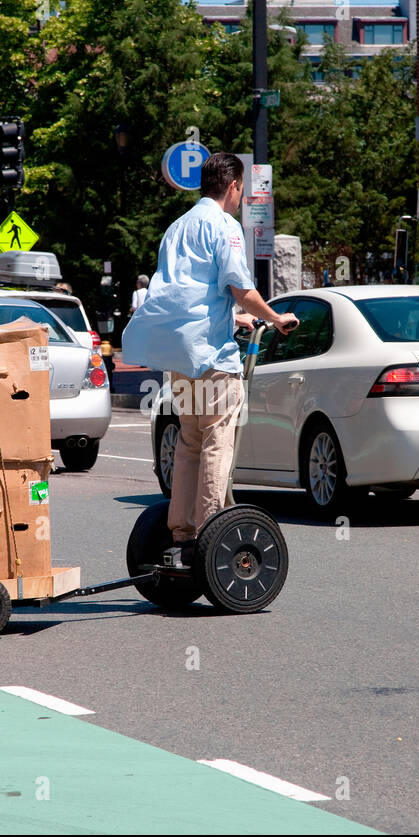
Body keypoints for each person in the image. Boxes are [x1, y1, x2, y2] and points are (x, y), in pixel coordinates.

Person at [121, 152, 298, 562]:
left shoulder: (177, 227)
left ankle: (180, 533)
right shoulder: (225, 227)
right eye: (240, 191)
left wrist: (233, 317)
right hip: (214, 359)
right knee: (218, 439)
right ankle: (208, 530)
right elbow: (241, 287)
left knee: (189, 441)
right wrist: (275, 317)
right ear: (233, 186)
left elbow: (188, 293)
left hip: (180, 357)